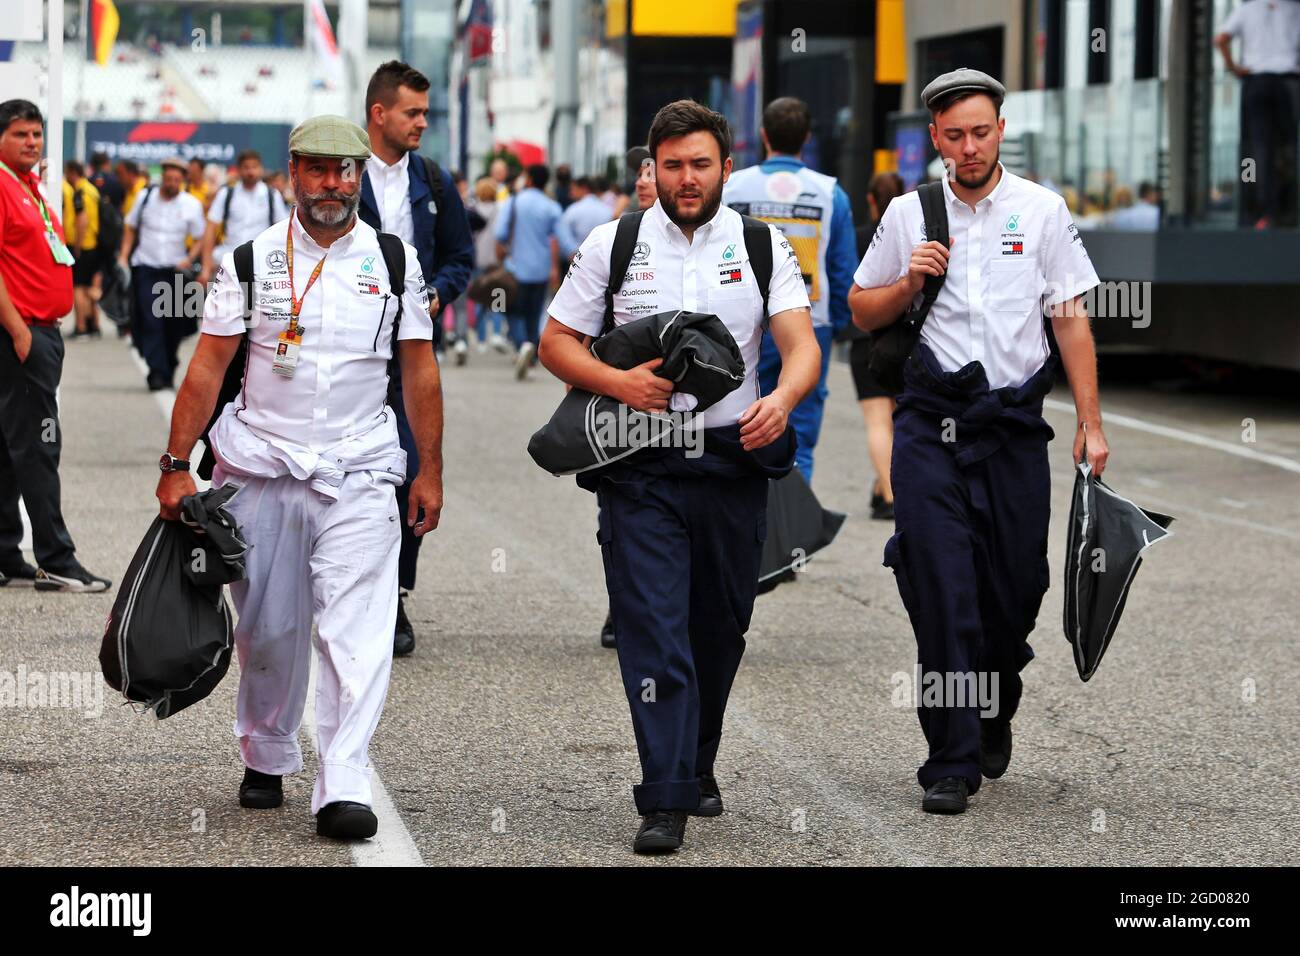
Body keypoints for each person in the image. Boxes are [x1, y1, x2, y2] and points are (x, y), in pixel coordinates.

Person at [540, 99, 819, 854]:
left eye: (700, 164)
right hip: (641, 471)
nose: (687, 178)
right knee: (653, 628)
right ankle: (664, 794)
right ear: (652, 170)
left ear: (727, 167)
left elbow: (800, 347)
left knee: (717, 630)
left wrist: (783, 399)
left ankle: (697, 764)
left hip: (732, 466)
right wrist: (619, 384)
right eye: (673, 165)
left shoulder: (762, 246)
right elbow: (556, 341)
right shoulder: (614, 242)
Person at [155, 115, 443, 840]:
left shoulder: (397, 263)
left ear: (360, 178)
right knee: (269, 627)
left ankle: (344, 778)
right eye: (318, 169)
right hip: (259, 466)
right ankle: (266, 749)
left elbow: (418, 371)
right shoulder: (250, 261)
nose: (333, 185)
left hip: (361, 468)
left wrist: (428, 471)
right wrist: (173, 467)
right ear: (293, 174)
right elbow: (209, 365)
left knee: (357, 631)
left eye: (346, 171)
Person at [849, 69, 1108, 815]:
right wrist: (906, 284)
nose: (969, 147)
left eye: (981, 132)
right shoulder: (909, 214)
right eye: (954, 135)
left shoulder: (1042, 210)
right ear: (935, 137)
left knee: (1014, 590)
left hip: (1015, 429)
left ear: (1001, 130)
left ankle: (996, 699)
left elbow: (1070, 321)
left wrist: (1090, 423)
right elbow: (863, 312)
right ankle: (951, 758)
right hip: (930, 425)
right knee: (942, 589)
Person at [358, 60, 474, 657]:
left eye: (425, 112)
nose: (423, 122)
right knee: (347, 472)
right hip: (350, 349)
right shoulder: (342, 175)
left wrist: (437, 293)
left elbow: (461, 256)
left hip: (410, 351)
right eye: (413, 112)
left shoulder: (433, 178)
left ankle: (395, 595)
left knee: (410, 467)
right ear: (380, 114)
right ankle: (348, 590)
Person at [0, 99, 111, 592]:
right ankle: (57, 558)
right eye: (21, 134)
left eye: (37, 134)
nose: (32, 142)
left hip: (39, 330)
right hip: (21, 334)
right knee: (41, 444)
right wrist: (21, 332)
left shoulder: (27, 186)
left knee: (9, 446)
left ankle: (6, 551)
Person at [723, 96, 856, 483]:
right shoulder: (831, 194)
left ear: (764, 135)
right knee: (801, 428)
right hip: (812, 323)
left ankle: (748, 522)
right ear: (807, 138)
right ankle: (793, 534)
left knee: (739, 421)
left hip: (742, 323)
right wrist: (839, 322)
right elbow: (843, 268)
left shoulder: (734, 188)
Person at [118, 155, 206, 391]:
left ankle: (168, 364)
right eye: (169, 178)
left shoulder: (191, 205)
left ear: (183, 181)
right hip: (146, 268)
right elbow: (131, 229)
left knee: (174, 324)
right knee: (150, 320)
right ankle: (157, 371)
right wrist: (123, 256)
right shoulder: (145, 198)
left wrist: (190, 259)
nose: (172, 183)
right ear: (162, 178)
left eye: (177, 179)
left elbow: (201, 237)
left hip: (175, 272)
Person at [849, 171, 905, 520]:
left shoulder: (857, 238)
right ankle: (880, 487)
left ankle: (890, 496)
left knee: (876, 423)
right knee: (899, 421)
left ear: (870, 201)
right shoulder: (909, 235)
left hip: (863, 339)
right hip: (900, 340)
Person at [1216, 0, 1300, 228]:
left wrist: (1233, 67)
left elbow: (1220, 39)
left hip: (1256, 80)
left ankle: (1261, 211)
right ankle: (1286, 209)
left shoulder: (1246, 10)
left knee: (1256, 149)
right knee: (1289, 146)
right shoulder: (1294, 9)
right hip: (1288, 82)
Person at [495, 163, 561, 379]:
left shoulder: (513, 201)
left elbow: (501, 233)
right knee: (534, 312)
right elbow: (562, 239)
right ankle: (531, 352)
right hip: (541, 269)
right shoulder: (551, 207)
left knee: (513, 311)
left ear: (530, 179)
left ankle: (522, 344)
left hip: (516, 268)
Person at [198, 149, 289, 287]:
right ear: (239, 170)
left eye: (254, 167)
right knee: (226, 307)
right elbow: (210, 228)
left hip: (261, 266)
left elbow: (283, 231)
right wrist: (205, 268)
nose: (250, 172)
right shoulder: (226, 193)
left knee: (255, 308)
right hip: (229, 264)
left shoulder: (271, 195)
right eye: (246, 167)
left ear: (261, 169)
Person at [62, 160, 104, 339]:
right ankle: (94, 324)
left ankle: (81, 327)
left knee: (78, 287)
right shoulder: (92, 189)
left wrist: (77, 246)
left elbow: (82, 220)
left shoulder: (79, 192)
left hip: (83, 245)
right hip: (94, 244)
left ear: (72, 172)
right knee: (88, 287)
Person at [467, 176, 507, 353]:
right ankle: (497, 333)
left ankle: (481, 340)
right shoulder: (500, 210)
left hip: (477, 258)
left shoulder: (472, 210)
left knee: (479, 297)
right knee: (498, 295)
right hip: (495, 260)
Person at [555, 175, 612, 262]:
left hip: (577, 260)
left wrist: (573, 253)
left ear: (583, 188)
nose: (570, 193)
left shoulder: (572, 210)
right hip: (602, 260)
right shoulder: (607, 210)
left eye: (573, 189)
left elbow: (564, 236)